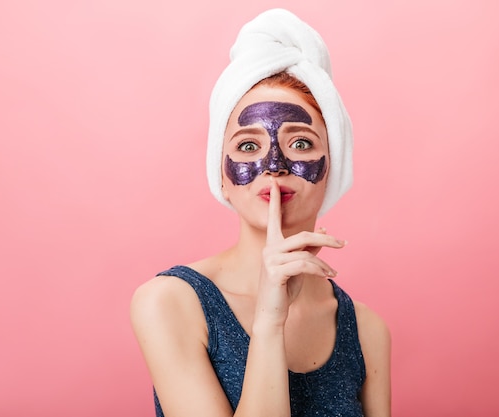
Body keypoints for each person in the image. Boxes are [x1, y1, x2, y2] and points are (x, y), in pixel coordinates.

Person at [130, 8, 391, 417]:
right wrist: (270, 321)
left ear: (334, 165)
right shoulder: (169, 303)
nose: (274, 166)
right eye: (248, 146)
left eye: (301, 143)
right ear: (222, 175)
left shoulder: (367, 331)